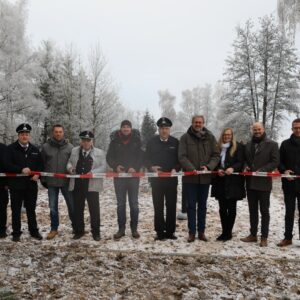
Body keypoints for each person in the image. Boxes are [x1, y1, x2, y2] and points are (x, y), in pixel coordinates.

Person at [178, 115, 220, 243]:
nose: (198, 124)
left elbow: (216, 155)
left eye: (200, 122)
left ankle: (201, 232)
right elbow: (182, 156)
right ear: (192, 123)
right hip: (190, 179)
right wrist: (191, 169)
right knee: (191, 206)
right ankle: (191, 232)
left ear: (203, 123)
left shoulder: (210, 137)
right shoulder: (185, 138)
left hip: (204, 179)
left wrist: (208, 166)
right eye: (195, 122)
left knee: (202, 206)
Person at [241, 122, 279, 247]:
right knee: (252, 210)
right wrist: (245, 167)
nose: (257, 131)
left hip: (263, 183)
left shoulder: (272, 144)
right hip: (250, 183)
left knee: (264, 210)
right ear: (252, 130)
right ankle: (253, 235)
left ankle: (264, 236)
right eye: (255, 129)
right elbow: (245, 160)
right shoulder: (248, 144)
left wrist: (262, 170)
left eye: (259, 129)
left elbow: (275, 161)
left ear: (263, 129)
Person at [5, 123, 43, 242]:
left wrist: (38, 174)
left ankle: (34, 231)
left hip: (31, 185)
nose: (24, 136)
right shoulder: (10, 149)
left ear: (29, 136)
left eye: (26, 134)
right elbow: (7, 165)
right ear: (18, 135)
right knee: (16, 209)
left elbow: (41, 164)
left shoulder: (35, 149)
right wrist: (20, 169)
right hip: (16, 185)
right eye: (22, 134)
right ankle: (16, 232)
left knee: (31, 209)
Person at [106, 120, 143, 240]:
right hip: (119, 177)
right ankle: (121, 229)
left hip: (133, 177)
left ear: (131, 129)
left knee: (134, 204)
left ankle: (134, 229)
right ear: (121, 128)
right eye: (124, 127)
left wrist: (135, 167)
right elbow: (109, 157)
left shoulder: (137, 141)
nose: (126, 129)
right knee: (121, 204)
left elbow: (141, 156)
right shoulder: (114, 141)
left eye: (128, 127)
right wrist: (115, 166)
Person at [67, 131, 106, 241]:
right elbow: (69, 162)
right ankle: (79, 231)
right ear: (81, 140)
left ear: (92, 141)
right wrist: (70, 168)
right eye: (84, 140)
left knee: (94, 210)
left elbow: (104, 167)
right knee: (78, 209)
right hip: (77, 184)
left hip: (92, 184)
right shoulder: (74, 151)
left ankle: (96, 232)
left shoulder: (100, 152)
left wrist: (93, 172)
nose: (86, 142)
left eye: (88, 140)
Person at [145, 117, 180, 240]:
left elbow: (179, 159)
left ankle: (170, 232)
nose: (164, 131)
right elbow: (146, 158)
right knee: (158, 206)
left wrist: (176, 168)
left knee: (171, 206)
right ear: (158, 129)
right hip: (157, 180)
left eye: (166, 128)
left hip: (171, 180)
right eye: (162, 128)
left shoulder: (175, 142)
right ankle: (159, 232)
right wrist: (151, 167)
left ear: (169, 129)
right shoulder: (152, 142)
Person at [211, 128, 245, 241]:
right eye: (225, 135)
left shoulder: (238, 147)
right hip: (220, 181)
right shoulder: (218, 147)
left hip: (233, 182)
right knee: (222, 208)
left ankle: (228, 232)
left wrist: (233, 168)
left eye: (229, 135)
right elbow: (215, 161)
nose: (227, 137)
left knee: (231, 208)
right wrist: (218, 169)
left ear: (232, 135)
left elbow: (241, 162)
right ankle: (224, 231)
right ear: (222, 136)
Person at [41, 124, 74, 239]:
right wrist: (44, 179)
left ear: (63, 133)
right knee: (53, 207)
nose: (58, 134)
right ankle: (54, 229)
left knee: (71, 205)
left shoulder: (70, 147)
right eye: (56, 132)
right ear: (53, 133)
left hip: (66, 182)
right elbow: (43, 164)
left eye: (60, 132)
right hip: (52, 183)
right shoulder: (45, 147)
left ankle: (75, 227)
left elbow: (73, 163)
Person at [277, 118, 300, 247]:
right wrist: (284, 170)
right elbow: (279, 162)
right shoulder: (285, 144)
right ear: (291, 129)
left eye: (299, 128)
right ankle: (288, 238)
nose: (297, 130)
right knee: (289, 212)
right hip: (289, 184)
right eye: (295, 127)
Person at [0, 143, 9, 238]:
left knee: (2, 208)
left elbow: (7, 165)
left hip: (1, 184)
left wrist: (7, 183)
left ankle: (2, 229)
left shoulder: (3, 148)